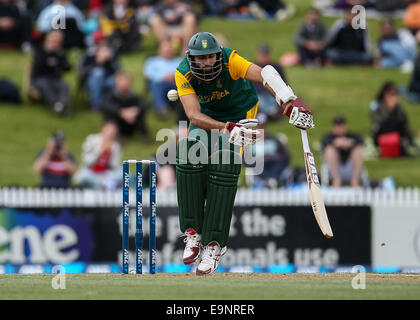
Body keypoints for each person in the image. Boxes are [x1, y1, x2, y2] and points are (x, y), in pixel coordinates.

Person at [174, 32, 314, 275]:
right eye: (201, 58)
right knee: (188, 151)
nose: (206, 63)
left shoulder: (231, 60)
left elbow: (265, 74)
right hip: (207, 116)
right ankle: (193, 233)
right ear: (191, 58)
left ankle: (214, 244)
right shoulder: (183, 71)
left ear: (218, 55)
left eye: (210, 57)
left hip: (241, 112)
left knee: (225, 160)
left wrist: (288, 102)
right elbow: (193, 116)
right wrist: (224, 127)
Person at [30, 30, 73, 116]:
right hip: (40, 79)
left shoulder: (60, 53)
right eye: (53, 41)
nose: (55, 43)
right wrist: (50, 59)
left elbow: (68, 68)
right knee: (46, 85)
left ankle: (63, 104)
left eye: (58, 42)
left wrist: (57, 61)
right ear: (47, 40)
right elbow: (38, 66)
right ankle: (57, 105)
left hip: (55, 79)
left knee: (64, 86)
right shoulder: (40, 51)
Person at [101, 72, 150, 143]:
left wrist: (135, 111)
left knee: (140, 113)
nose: (125, 84)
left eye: (126, 82)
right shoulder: (110, 96)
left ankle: (144, 136)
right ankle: (116, 136)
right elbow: (106, 106)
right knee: (110, 115)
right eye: (122, 82)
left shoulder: (133, 96)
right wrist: (121, 112)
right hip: (117, 123)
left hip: (131, 124)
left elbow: (144, 105)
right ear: (117, 84)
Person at [370, 82, 415, 157]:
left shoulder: (399, 107)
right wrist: (390, 110)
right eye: (391, 94)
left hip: (397, 136)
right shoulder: (377, 106)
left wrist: (394, 109)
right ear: (385, 94)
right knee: (391, 123)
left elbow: (405, 122)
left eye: (395, 94)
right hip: (381, 134)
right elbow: (377, 123)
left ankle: (410, 144)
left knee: (401, 123)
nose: (393, 97)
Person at [73, 122, 122, 190]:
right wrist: (100, 151)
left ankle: (101, 184)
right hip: (91, 172)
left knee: (124, 174)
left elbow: (115, 166)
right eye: (108, 131)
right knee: (81, 176)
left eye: (113, 132)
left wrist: (111, 153)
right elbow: (86, 161)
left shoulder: (115, 145)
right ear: (103, 130)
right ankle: (105, 184)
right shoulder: (91, 139)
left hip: (106, 174)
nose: (110, 134)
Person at [78, 36, 121, 110]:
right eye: (98, 43)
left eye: (103, 43)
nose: (101, 46)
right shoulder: (88, 55)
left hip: (108, 81)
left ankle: (110, 104)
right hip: (90, 82)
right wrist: (97, 63)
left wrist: (109, 60)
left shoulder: (112, 55)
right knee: (98, 72)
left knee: (114, 81)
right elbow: (81, 72)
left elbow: (118, 72)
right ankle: (96, 105)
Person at [321, 116, 364, 187]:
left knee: (358, 150)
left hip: (350, 166)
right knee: (330, 150)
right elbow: (324, 145)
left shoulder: (353, 136)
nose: (340, 128)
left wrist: (349, 143)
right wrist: (337, 144)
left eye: (341, 126)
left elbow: (361, 143)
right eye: (338, 126)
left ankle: (355, 180)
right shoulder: (328, 137)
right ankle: (336, 180)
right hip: (334, 168)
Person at [143, 39, 182, 117]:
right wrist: (163, 77)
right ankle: (161, 109)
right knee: (155, 84)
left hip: (175, 83)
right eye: (165, 50)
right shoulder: (152, 61)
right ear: (160, 51)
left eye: (169, 50)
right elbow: (148, 75)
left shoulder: (179, 61)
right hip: (159, 84)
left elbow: (184, 74)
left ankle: (185, 107)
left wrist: (174, 77)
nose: (168, 52)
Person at [253, 44, 286, 118]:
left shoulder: (276, 67)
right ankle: (267, 114)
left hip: (273, 95)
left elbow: (284, 84)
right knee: (259, 101)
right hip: (259, 96)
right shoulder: (254, 67)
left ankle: (270, 114)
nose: (264, 57)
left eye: (266, 55)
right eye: (262, 55)